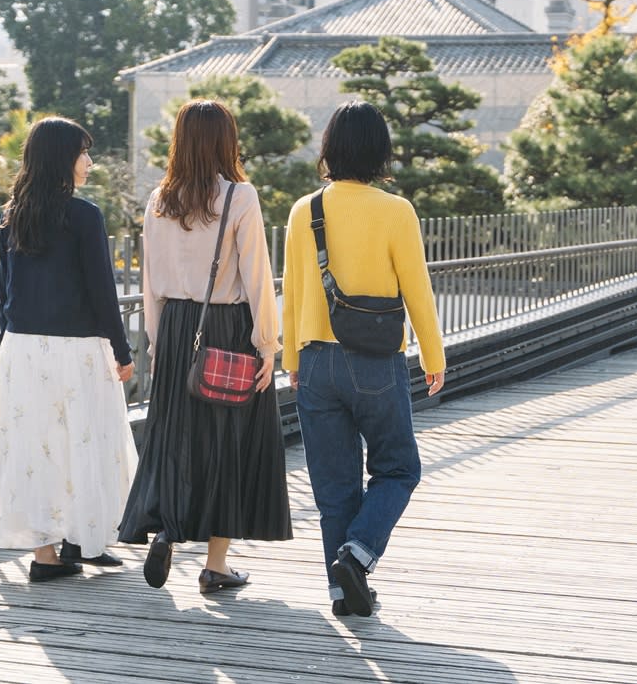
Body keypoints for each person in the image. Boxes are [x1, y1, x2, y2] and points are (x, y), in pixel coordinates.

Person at [281, 101, 446, 618]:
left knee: (334, 486)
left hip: (314, 362)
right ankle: (357, 555)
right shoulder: (396, 211)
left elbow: (294, 291)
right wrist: (433, 354)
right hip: (376, 361)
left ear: (329, 148)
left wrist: (291, 358)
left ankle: (343, 595)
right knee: (398, 468)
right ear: (381, 152)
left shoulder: (303, 210)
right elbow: (417, 289)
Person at [119, 100, 292, 594]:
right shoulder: (240, 196)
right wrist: (268, 345)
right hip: (227, 329)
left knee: (174, 436)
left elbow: (149, 281)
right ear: (226, 141)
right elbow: (258, 276)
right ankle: (216, 565)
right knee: (228, 442)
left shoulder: (158, 199)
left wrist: (157, 342)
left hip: (175, 328)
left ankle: (169, 530)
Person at [0, 117, 137, 581]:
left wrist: (4, 350)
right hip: (76, 350)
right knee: (86, 441)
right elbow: (101, 291)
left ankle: (47, 555)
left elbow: (4, 293)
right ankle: (86, 540)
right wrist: (123, 350)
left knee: (37, 448)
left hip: (21, 349)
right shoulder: (83, 215)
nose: (89, 162)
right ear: (61, 158)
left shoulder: (13, 215)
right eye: (83, 152)